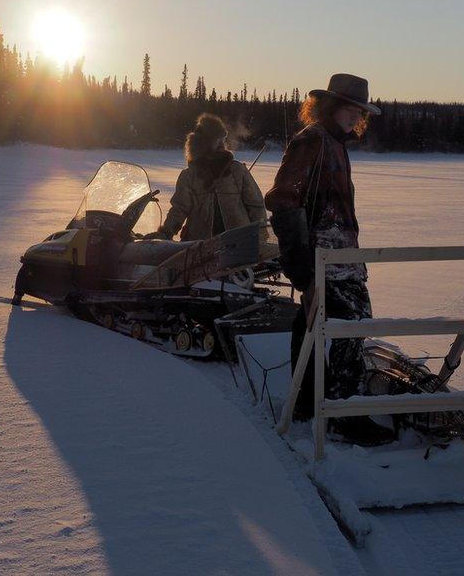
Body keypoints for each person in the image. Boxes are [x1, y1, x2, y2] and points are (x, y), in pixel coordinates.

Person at [264, 73, 393, 446]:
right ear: (331, 106)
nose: (356, 117)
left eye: (360, 111)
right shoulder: (313, 142)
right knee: (350, 323)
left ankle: (306, 402)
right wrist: (302, 267)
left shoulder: (334, 145)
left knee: (312, 321)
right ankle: (346, 415)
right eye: (351, 109)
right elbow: (283, 200)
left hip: (339, 255)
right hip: (326, 258)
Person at [152, 113, 266, 241]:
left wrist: (260, 236)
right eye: (217, 141)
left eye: (222, 141)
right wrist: (166, 232)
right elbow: (179, 209)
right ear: (204, 144)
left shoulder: (236, 170)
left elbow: (256, 205)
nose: (221, 144)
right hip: (200, 247)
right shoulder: (189, 176)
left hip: (238, 244)